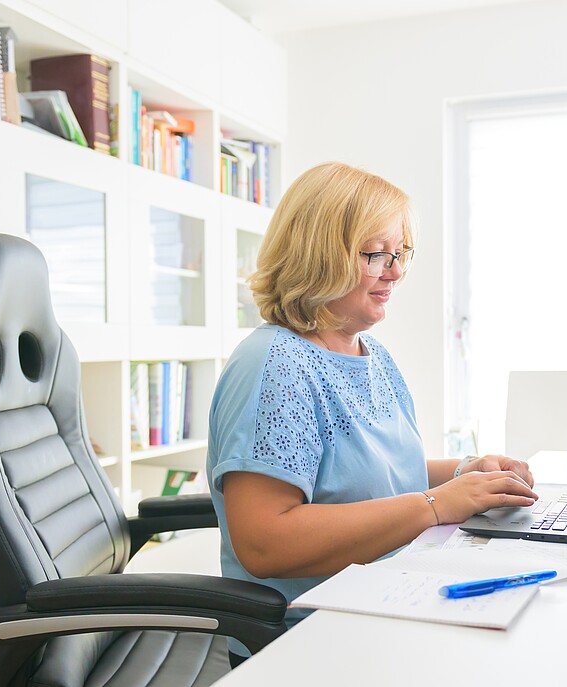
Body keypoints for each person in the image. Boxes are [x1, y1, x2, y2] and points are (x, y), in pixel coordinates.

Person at [207, 162, 537, 659]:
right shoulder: (274, 365)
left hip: (389, 597)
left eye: (400, 253)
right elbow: (264, 542)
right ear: (318, 255)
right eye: (377, 254)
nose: (397, 271)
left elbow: (370, 472)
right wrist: (439, 503)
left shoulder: (370, 355)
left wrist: (469, 473)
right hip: (312, 637)